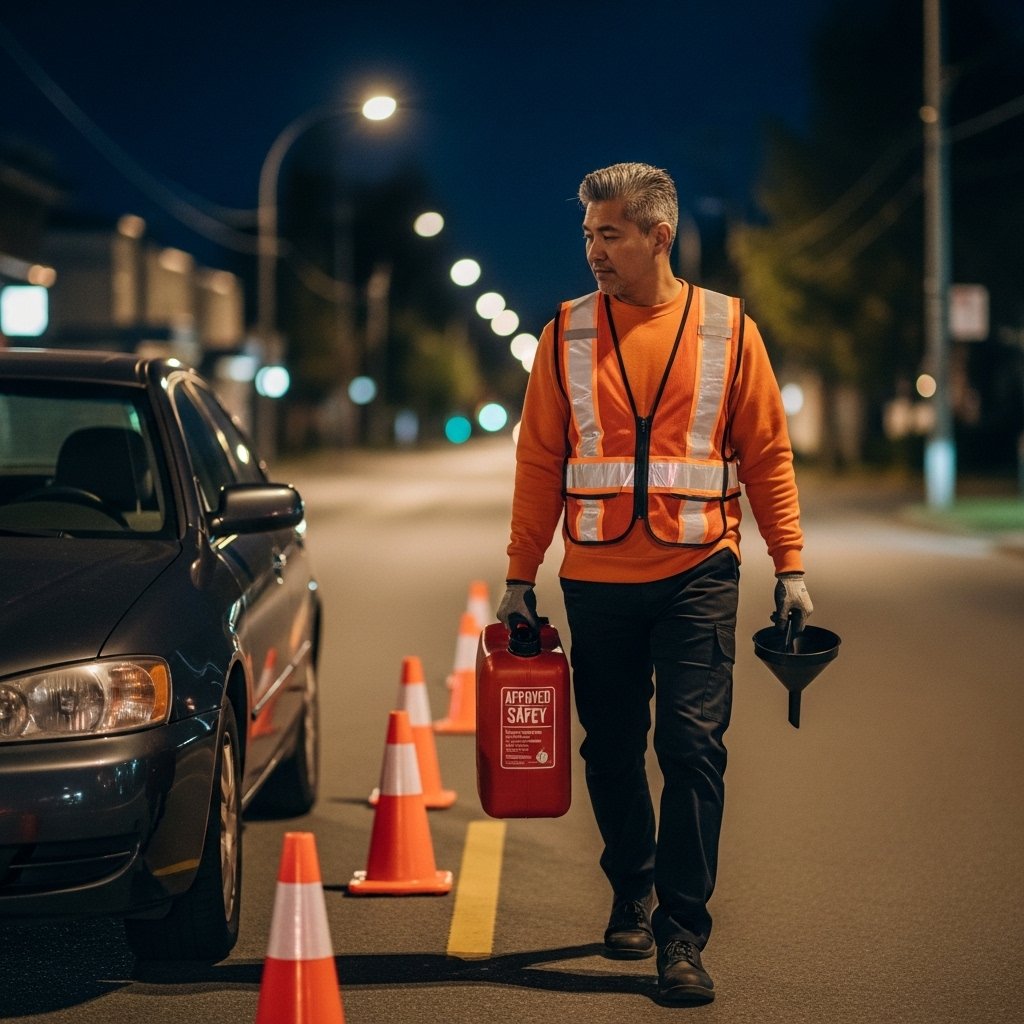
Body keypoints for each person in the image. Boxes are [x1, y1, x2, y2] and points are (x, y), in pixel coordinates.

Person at [496, 162, 814, 1004]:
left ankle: (681, 933)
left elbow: (768, 454)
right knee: (609, 749)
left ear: (657, 236)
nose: (593, 250)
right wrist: (519, 577)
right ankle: (630, 885)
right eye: (589, 234)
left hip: (700, 570)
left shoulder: (727, 329)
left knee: (691, 747)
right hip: (597, 576)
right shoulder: (562, 333)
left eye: (610, 234)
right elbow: (539, 461)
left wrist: (791, 566)